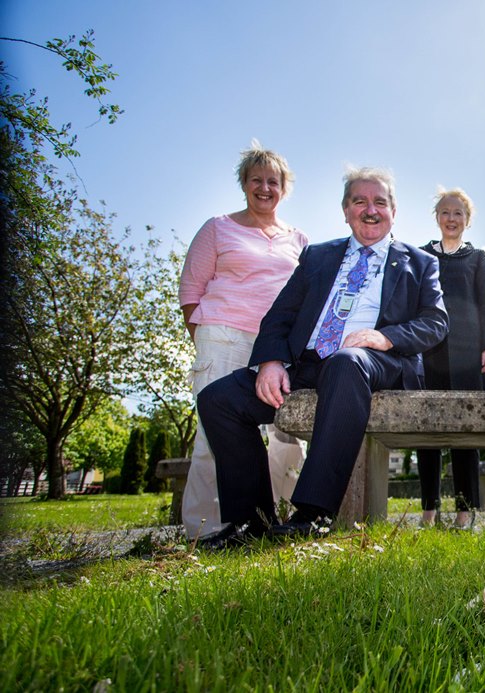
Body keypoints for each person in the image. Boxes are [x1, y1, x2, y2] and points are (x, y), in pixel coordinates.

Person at [195, 167, 448, 548]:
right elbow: (281, 314)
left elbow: (435, 322)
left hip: (377, 362)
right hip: (308, 363)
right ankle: (251, 523)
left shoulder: (420, 262)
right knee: (218, 401)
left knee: (346, 362)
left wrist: (385, 336)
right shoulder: (317, 256)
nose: (370, 210)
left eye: (380, 202)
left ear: (394, 210)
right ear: (345, 210)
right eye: (359, 201)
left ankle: (314, 513)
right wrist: (271, 361)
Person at [178, 141, 308, 541]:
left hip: (276, 347)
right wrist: (207, 341)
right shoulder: (218, 227)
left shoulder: (298, 240)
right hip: (224, 336)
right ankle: (208, 529)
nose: (264, 188)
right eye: (256, 180)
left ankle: (283, 519)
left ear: (284, 188)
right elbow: (190, 292)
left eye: (273, 181)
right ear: (244, 184)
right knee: (212, 436)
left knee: (287, 434)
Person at [416, 189, 485, 530]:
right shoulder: (420, 255)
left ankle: (465, 511)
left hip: (468, 356)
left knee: (466, 434)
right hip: (428, 352)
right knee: (426, 432)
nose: (451, 219)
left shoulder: (477, 258)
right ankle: (429, 511)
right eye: (446, 212)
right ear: (437, 216)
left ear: (467, 220)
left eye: (458, 214)